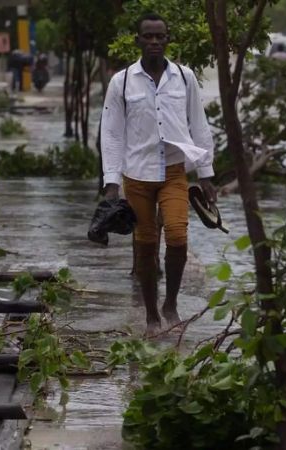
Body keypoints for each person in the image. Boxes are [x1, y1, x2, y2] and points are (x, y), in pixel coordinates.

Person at [100, 12, 217, 337]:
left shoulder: (184, 77)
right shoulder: (121, 81)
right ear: (138, 40)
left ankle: (171, 304)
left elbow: (199, 124)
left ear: (167, 40)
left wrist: (206, 174)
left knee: (178, 237)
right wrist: (111, 181)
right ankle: (152, 314)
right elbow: (111, 132)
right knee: (146, 245)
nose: (153, 42)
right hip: (136, 175)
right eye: (147, 37)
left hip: (174, 171)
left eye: (159, 36)